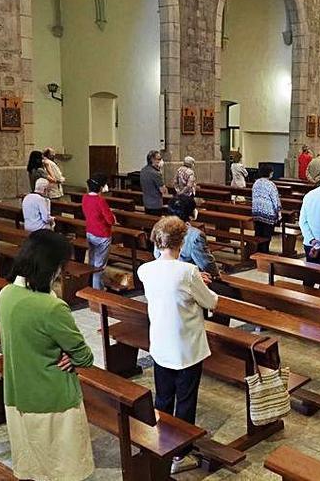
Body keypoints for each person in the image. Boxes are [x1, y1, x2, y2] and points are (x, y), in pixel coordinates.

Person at [0, 230, 95, 481]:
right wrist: (70, 354)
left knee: (32, 464)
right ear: (52, 267)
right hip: (52, 398)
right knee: (63, 468)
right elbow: (84, 357)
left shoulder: (5, 294)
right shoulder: (51, 307)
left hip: (18, 393)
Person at [137, 216, 218, 475]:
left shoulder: (145, 270)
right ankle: (180, 454)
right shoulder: (188, 271)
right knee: (185, 399)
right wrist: (202, 284)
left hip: (160, 343)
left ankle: (163, 445)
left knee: (163, 396)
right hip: (186, 346)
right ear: (182, 241)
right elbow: (211, 302)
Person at [160, 195, 220, 277]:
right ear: (191, 213)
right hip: (188, 278)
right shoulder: (195, 235)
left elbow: (157, 254)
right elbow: (206, 264)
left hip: (165, 273)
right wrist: (217, 274)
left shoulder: (161, 228)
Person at [82, 174, 115, 289]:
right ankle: (97, 291)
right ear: (101, 187)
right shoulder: (100, 200)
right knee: (99, 265)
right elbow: (110, 220)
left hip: (90, 231)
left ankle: (90, 285)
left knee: (92, 260)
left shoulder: (85, 197)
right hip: (102, 234)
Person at [251, 163, 282, 254]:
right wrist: (279, 213)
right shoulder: (270, 185)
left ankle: (258, 251)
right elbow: (275, 200)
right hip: (267, 213)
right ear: (269, 173)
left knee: (258, 233)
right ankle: (264, 253)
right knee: (266, 235)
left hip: (256, 212)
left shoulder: (256, 183)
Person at [140, 150, 168, 215]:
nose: (161, 161)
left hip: (146, 202)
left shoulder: (143, 170)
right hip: (156, 204)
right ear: (152, 160)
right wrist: (160, 173)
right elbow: (164, 191)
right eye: (159, 159)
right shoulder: (156, 173)